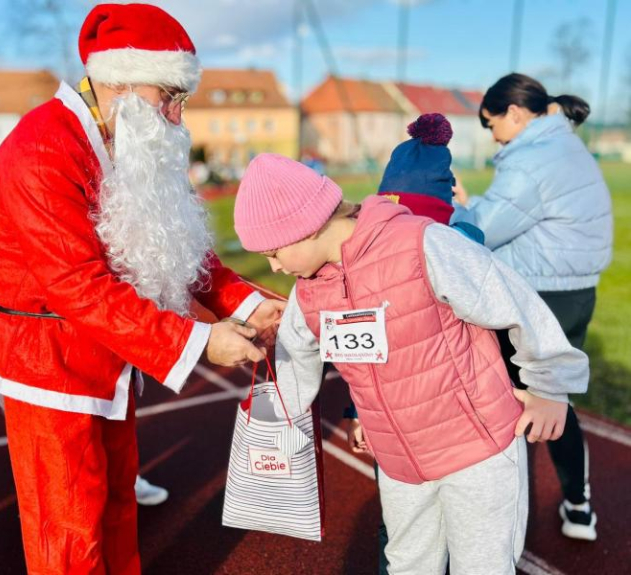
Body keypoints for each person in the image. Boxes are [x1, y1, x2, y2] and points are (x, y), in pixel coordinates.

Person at [0, 4, 284, 574]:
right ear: (117, 78)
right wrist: (198, 342)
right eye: (167, 94)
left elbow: (181, 248)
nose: (175, 115)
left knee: (117, 509)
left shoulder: (124, 134)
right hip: (50, 369)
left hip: (110, 354)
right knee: (68, 531)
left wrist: (253, 304)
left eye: (181, 99)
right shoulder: (42, 148)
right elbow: (78, 286)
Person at [233, 153, 588, 574]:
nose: (272, 266)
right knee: (407, 566)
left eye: (274, 253)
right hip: (399, 462)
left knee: (483, 567)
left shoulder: (421, 243)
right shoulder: (308, 290)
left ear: (304, 227)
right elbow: (299, 354)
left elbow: (516, 303)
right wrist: (279, 426)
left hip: (476, 451)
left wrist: (549, 388)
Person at [452, 73, 613, 541]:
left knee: (512, 400)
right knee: (554, 398)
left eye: (491, 124)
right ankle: (578, 507)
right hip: (575, 291)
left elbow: (482, 230)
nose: (492, 135)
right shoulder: (562, 146)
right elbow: (527, 217)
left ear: (515, 114)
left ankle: (503, 522)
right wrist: (473, 203)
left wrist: (452, 205)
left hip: (539, 296)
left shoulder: (531, 160)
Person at [341, 113, 484, 575]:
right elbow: (357, 342)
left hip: (444, 425)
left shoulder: (460, 248)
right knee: (415, 534)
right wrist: (361, 410)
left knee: (420, 536)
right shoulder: (464, 241)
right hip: (423, 425)